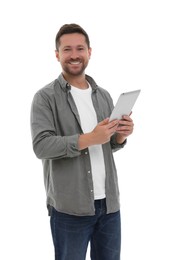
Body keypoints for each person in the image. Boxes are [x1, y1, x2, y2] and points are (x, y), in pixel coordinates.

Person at [30, 23, 134, 260]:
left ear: (89, 52)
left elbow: (108, 145)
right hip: (69, 209)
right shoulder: (45, 98)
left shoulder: (104, 95)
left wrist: (120, 135)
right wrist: (89, 138)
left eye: (80, 48)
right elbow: (41, 146)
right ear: (57, 54)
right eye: (67, 49)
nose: (74, 55)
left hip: (109, 206)